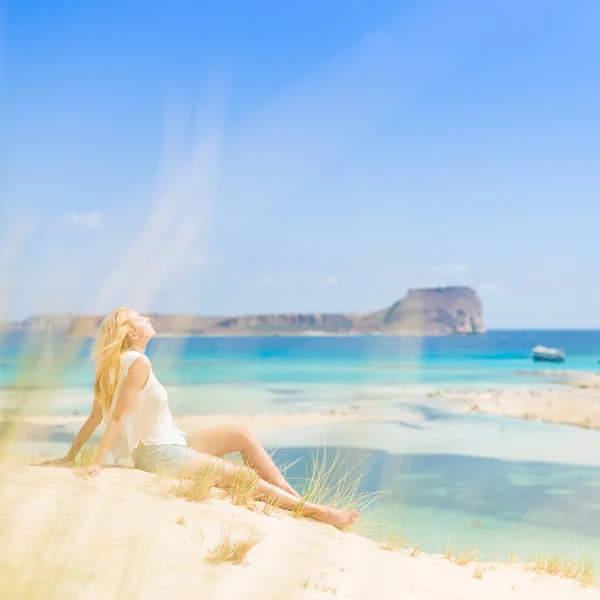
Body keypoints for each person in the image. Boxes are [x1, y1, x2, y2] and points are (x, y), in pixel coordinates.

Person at [43, 307, 360, 528]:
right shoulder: (139, 364)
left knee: (241, 433)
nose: (148, 318)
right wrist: (95, 462)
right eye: (140, 318)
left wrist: (71, 455)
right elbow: (116, 418)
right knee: (243, 478)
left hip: (173, 443)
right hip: (159, 454)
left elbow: (94, 418)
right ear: (129, 333)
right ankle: (315, 512)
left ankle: (294, 498)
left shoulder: (114, 364)